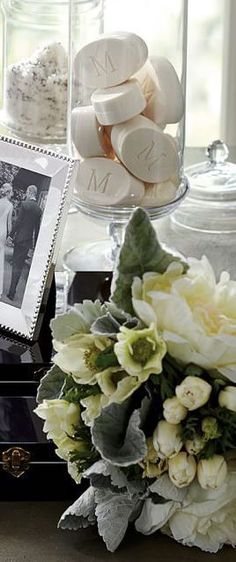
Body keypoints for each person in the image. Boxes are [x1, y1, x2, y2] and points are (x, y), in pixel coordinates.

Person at [7, 184, 42, 301]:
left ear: (29, 192)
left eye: (27, 192)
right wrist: (35, 244)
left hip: (19, 240)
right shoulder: (38, 210)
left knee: (15, 266)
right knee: (20, 266)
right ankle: (13, 290)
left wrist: (11, 236)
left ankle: (11, 292)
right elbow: (37, 229)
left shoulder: (24, 205)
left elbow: (18, 222)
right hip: (27, 243)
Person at [0, 183, 13, 299]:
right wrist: (10, 235)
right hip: (2, 232)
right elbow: (9, 223)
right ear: (9, 192)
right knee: (0, 258)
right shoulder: (10, 205)